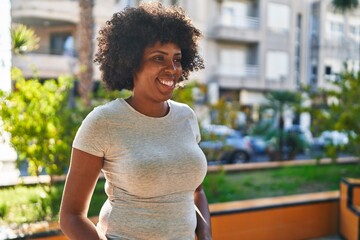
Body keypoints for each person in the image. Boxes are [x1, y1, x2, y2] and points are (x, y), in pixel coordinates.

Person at [59, 2, 212, 240]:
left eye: (177, 59)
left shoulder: (187, 117)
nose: (172, 69)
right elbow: (71, 216)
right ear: (131, 63)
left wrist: (206, 235)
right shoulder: (104, 121)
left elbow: (195, 191)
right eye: (158, 58)